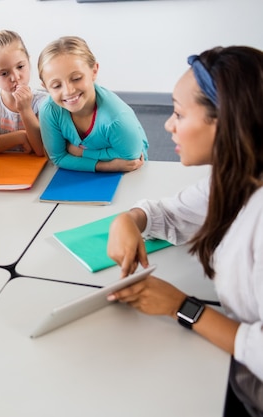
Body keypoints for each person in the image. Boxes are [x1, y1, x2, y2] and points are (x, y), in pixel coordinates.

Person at [106, 46, 263, 416]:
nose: (167, 125)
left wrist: (182, 307)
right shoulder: (233, 177)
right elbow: (170, 212)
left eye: (178, 113)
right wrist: (128, 220)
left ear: (224, 122)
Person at [37, 36, 148, 172]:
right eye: (56, 85)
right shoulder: (49, 110)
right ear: (45, 87)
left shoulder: (117, 119)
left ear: (94, 71)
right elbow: (58, 158)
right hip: (96, 169)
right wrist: (105, 166)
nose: (68, 91)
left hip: (130, 172)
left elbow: (131, 160)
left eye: (76, 78)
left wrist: (81, 153)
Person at [0, 30, 47, 156]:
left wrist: (25, 109)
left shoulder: (42, 102)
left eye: (20, 67)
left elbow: (40, 149)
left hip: (34, 170)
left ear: (28, 61)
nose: (15, 77)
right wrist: (20, 136)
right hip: (0, 170)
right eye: (4, 73)